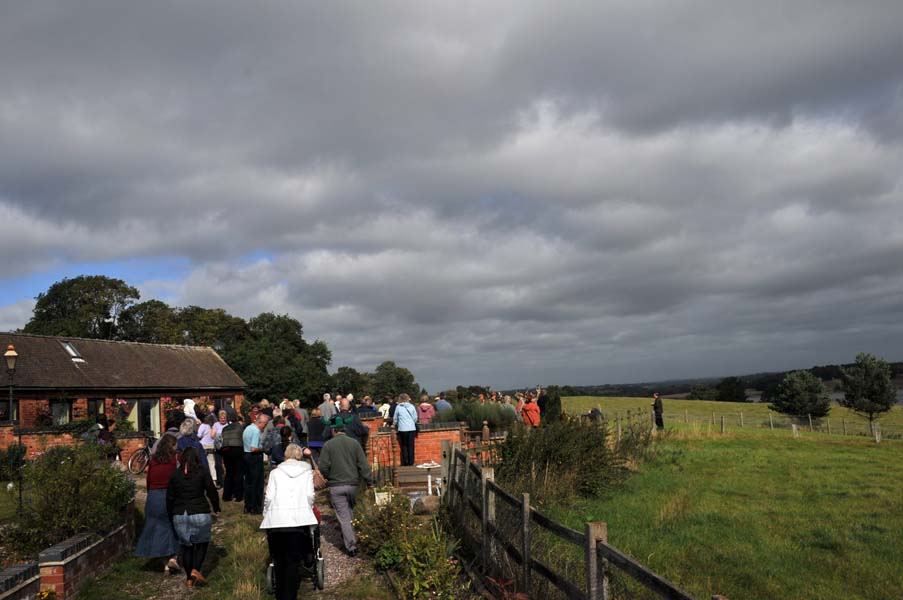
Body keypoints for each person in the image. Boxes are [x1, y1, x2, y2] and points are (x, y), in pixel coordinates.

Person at [260, 443, 318, 600]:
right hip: (298, 522)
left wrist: (266, 513)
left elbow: (269, 497)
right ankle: (290, 595)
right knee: (293, 562)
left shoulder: (275, 473)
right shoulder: (306, 473)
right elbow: (310, 496)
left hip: (276, 521)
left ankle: (281, 594)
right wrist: (308, 509)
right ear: (299, 456)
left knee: (279, 560)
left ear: (285, 456)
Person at [318, 417, 374, 556]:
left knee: (344, 517)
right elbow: (363, 465)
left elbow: (323, 466)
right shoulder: (354, 443)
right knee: (352, 512)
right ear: (344, 429)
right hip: (353, 484)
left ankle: (351, 546)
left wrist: (328, 476)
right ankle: (359, 537)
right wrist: (369, 481)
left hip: (336, 485)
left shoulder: (328, 445)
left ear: (333, 430)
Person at [166, 446, 221, 589]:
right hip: (199, 511)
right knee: (202, 543)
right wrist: (216, 507)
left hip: (180, 514)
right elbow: (211, 491)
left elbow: (169, 497)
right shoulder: (202, 472)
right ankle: (196, 570)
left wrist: (170, 514)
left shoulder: (175, 475)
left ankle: (189, 578)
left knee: (187, 547)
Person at [134, 435, 180, 572]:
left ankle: (164, 560)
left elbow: (149, 480)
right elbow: (177, 480)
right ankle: (172, 558)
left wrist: (150, 494)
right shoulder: (174, 461)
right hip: (168, 495)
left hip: (153, 496)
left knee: (154, 527)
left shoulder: (153, 461)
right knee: (171, 527)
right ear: (171, 447)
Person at [243, 414, 270, 514]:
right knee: (257, 483)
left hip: (246, 455)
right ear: (260, 422)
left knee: (248, 483)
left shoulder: (247, 428)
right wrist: (263, 449)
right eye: (265, 424)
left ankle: (247, 506)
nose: (265, 426)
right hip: (254, 457)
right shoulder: (256, 431)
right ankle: (255, 507)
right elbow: (253, 448)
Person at [216, 413, 245, 502]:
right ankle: (238, 496)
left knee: (229, 473)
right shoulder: (240, 428)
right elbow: (242, 439)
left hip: (227, 451)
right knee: (238, 473)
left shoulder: (225, 428)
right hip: (237, 450)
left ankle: (227, 496)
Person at [393, 393, 418, 466]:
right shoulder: (412, 406)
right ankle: (411, 461)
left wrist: (395, 424)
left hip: (402, 429)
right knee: (411, 445)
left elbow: (395, 418)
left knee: (404, 446)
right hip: (411, 428)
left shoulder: (398, 407)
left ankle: (405, 462)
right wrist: (412, 422)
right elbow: (415, 418)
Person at [197, 414, 218, 485]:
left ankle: (203, 480)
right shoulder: (216, 426)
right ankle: (214, 480)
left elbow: (199, 435)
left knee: (202, 463)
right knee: (212, 463)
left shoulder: (203, 425)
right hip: (212, 446)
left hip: (203, 446)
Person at [211, 410, 228, 488]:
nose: (223, 419)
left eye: (224, 418)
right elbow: (212, 435)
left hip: (226, 447)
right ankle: (219, 482)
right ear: (219, 418)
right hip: (218, 447)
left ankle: (227, 482)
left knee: (227, 465)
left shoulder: (228, 424)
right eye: (221, 418)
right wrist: (218, 435)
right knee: (218, 465)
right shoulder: (216, 424)